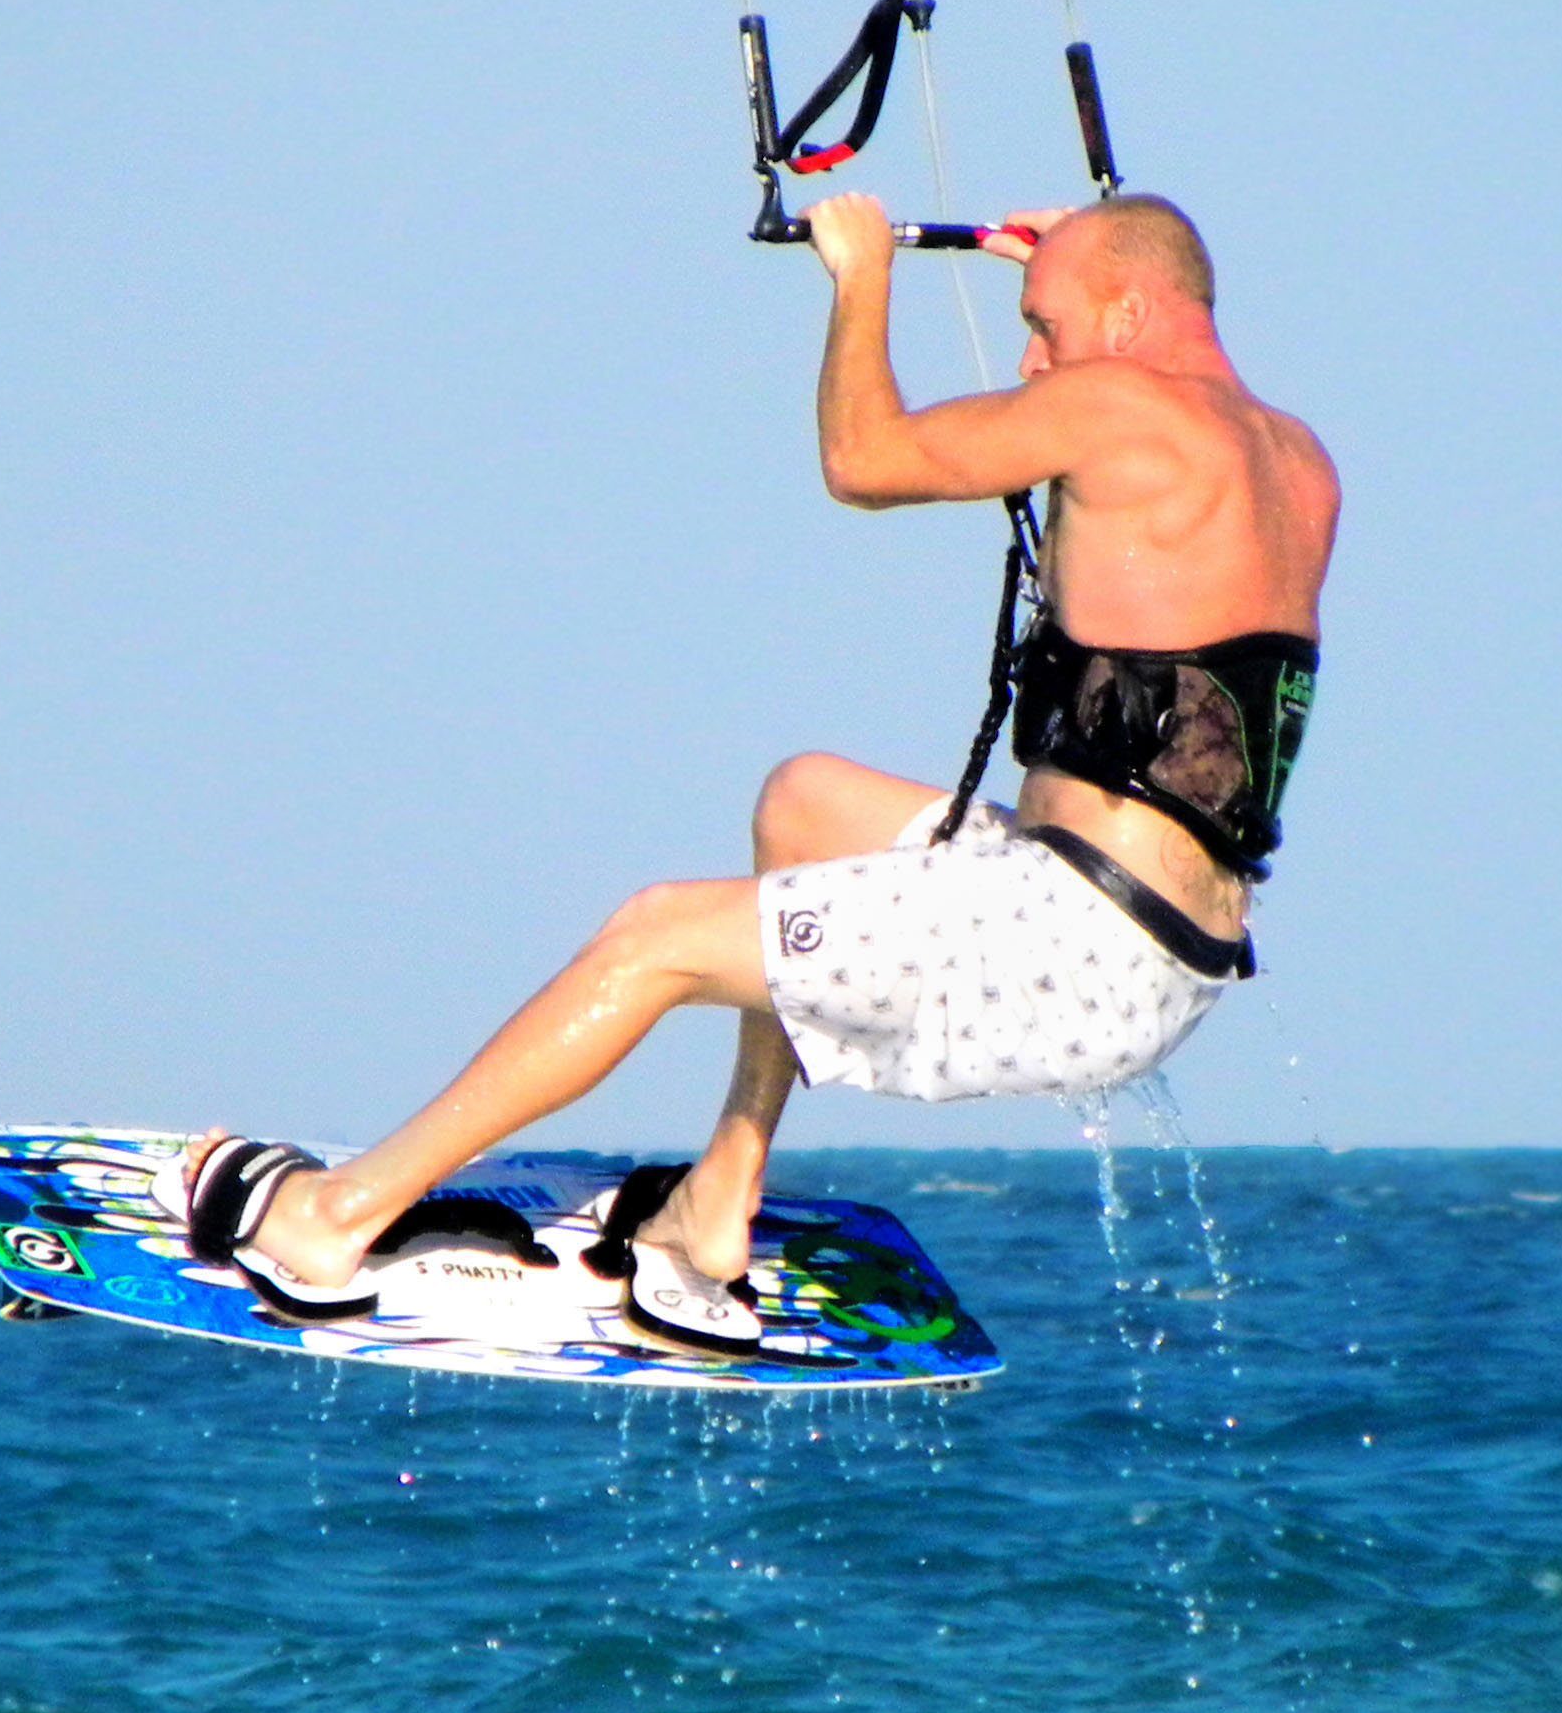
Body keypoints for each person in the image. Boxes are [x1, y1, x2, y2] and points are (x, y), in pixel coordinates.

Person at [178, 187, 1339, 1350]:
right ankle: (719, 1195)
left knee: (653, 938)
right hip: (1160, 942)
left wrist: (863, 271)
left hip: (1076, 933)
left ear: (1129, 315)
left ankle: (335, 1216)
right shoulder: (1291, 459)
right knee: (806, 800)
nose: (1033, 360)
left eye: (1044, 323)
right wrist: (1069, 277)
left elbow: (864, 459)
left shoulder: (1120, 405)